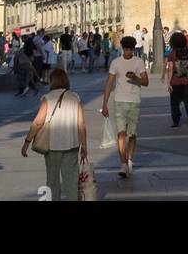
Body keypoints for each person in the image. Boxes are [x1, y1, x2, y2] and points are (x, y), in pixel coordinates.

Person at [22, 66, 87, 201]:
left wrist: (27, 142)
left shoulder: (47, 98)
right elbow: (81, 124)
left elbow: (38, 122)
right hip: (72, 144)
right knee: (71, 180)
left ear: (52, 81)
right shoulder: (75, 97)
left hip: (52, 147)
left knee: (52, 180)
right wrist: (84, 146)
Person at [101, 36, 148, 178]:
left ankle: (130, 159)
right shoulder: (115, 63)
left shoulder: (139, 62)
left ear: (133, 49)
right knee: (121, 134)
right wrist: (104, 104)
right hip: (119, 101)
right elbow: (109, 83)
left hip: (134, 102)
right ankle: (123, 164)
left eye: (130, 49)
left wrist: (135, 78)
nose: (127, 52)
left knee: (132, 135)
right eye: (126, 49)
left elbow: (145, 82)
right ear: (122, 48)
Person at [165, 31, 188, 127]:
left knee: (174, 102)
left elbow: (170, 69)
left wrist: (168, 83)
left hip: (175, 81)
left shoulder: (172, 54)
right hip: (187, 81)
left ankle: (176, 121)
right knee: (187, 100)